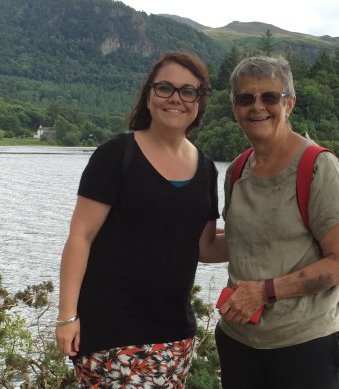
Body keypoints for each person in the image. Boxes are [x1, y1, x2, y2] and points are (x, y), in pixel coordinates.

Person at [55, 51, 227, 388]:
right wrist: (67, 316)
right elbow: (80, 236)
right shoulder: (117, 155)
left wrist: (274, 237)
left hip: (175, 334)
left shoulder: (206, 168)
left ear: (199, 102)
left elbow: (204, 247)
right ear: (148, 96)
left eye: (188, 91)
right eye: (165, 88)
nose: (176, 98)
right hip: (111, 332)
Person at [215, 55, 339, 388]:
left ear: (289, 103)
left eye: (269, 97)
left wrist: (265, 292)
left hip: (305, 346)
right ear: (235, 108)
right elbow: (241, 242)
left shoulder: (317, 167)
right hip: (239, 344)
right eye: (245, 98)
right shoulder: (236, 171)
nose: (257, 107)